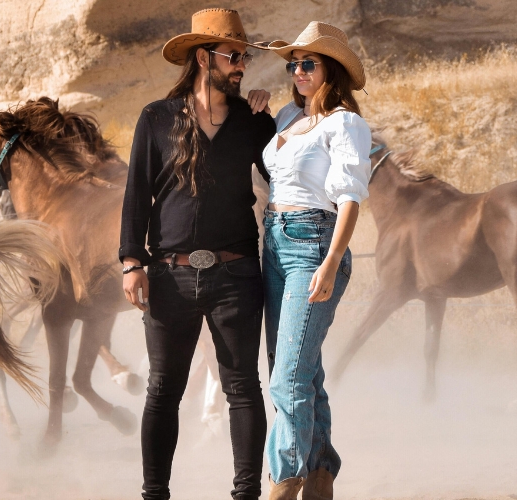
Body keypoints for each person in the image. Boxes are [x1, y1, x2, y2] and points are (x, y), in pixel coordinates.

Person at [118, 8, 276, 500]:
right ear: (203, 57)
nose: (242, 65)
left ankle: (246, 495)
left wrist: (274, 122)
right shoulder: (156, 118)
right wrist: (131, 261)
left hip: (237, 275)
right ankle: (154, 494)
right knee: (164, 391)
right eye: (233, 56)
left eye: (244, 57)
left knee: (244, 390)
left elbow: (284, 175)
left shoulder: (253, 123)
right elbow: (136, 193)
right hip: (169, 276)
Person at [261, 22, 372, 500]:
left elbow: (349, 199)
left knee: (287, 374)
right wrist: (257, 112)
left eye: (308, 63)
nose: (298, 70)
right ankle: (321, 474)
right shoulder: (288, 115)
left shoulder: (345, 122)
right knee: (301, 370)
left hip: (313, 244)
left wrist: (330, 263)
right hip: (274, 246)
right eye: (293, 63)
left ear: (332, 70)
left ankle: (283, 484)